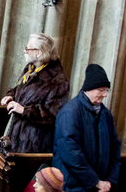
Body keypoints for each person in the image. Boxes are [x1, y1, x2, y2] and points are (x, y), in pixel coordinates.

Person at [53, 64, 120, 192]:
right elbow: (70, 153)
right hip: (73, 186)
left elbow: (115, 148)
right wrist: (95, 182)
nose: (105, 94)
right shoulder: (70, 112)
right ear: (89, 89)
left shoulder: (105, 114)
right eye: (101, 90)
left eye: (107, 90)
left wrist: (110, 180)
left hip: (99, 185)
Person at [0, 33, 69, 153]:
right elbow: (21, 89)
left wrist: (24, 110)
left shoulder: (58, 81)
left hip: (34, 144)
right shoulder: (30, 69)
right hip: (16, 137)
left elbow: (53, 115)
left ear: (39, 53)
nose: (24, 51)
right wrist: (10, 96)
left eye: (27, 49)